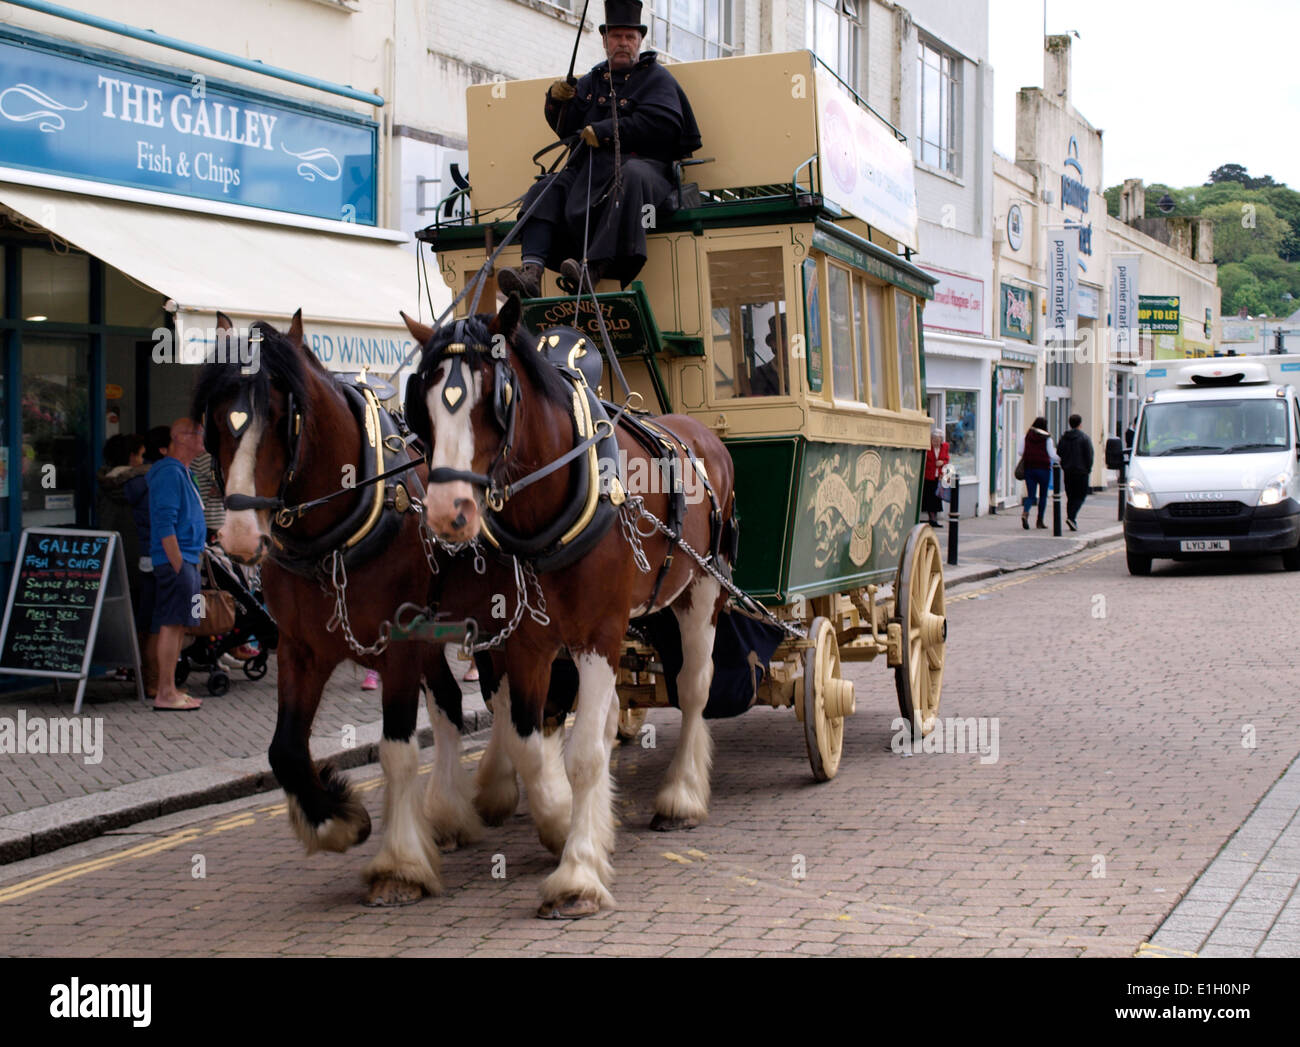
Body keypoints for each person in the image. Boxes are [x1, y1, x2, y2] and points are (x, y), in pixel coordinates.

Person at [496, 0, 702, 298]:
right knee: (545, 188)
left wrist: (604, 132)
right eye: (616, 37)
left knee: (630, 175)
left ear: (639, 41)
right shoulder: (593, 81)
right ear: (605, 41)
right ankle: (531, 271)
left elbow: (662, 125)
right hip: (589, 172)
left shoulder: (658, 79)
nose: (623, 43)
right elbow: (567, 128)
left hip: (648, 172)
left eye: (629, 37)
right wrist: (556, 102)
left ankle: (593, 269)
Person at [148, 419, 208, 711]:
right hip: (179, 560)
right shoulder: (170, 473)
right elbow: (164, 522)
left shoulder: (183, 472)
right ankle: (165, 693)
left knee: (179, 625)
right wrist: (177, 564)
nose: (201, 437)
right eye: (196, 433)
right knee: (172, 626)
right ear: (179, 438)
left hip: (188, 559)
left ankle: (169, 688)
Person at [126, 431, 167, 699]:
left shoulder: (128, 483)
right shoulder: (155, 481)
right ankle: (154, 681)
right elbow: (163, 521)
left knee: (144, 618)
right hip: (158, 556)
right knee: (158, 623)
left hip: (137, 557)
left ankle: (141, 675)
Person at [1018, 415, 1059, 530]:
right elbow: (1052, 455)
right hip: (1043, 469)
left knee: (1031, 495)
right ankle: (1039, 521)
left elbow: (1020, 451)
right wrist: (1061, 458)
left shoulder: (1026, 436)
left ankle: (1025, 513)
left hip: (1029, 468)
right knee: (1043, 496)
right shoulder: (1047, 439)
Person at [1057, 413, 1095, 531]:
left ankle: (1071, 518)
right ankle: (1071, 517)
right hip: (1081, 472)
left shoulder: (1064, 438)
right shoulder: (1084, 438)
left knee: (1070, 496)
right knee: (1081, 495)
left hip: (1068, 471)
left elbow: (1059, 453)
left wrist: (1064, 465)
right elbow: (1089, 455)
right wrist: (1088, 468)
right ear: (1080, 424)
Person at [923, 427, 950, 527]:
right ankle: (931, 519)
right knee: (929, 498)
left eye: (938, 441)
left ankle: (934, 519)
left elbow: (947, 459)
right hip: (929, 476)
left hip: (938, 476)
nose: (936, 443)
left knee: (937, 498)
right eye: (934, 440)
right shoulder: (928, 448)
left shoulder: (945, 447)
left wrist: (942, 462)